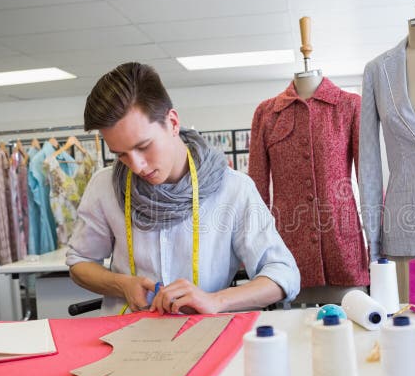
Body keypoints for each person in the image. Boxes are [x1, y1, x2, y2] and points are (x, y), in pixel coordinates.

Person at [66, 62, 300, 315]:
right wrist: (120, 284)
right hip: (127, 336)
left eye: (144, 146)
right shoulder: (104, 186)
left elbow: (283, 273)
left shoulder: (233, 189)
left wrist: (216, 300)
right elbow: (79, 261)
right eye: (121, 154)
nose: (137, 165)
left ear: (173, 122)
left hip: (205, 335)